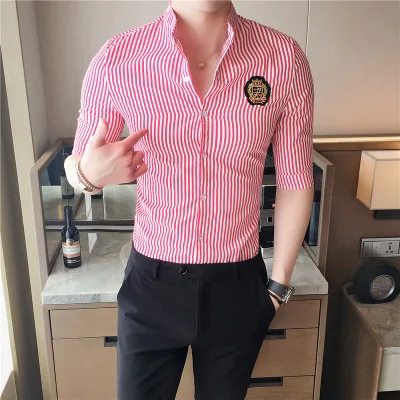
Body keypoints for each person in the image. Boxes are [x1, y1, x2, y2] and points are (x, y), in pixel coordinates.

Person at [65, 0, 314, 398]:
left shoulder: (283, 57)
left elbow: (296, 178)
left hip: (239, 287)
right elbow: (78, 163)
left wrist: (278, 287)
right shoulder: (118, 58)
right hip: (151, 285)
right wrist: (87, 175)